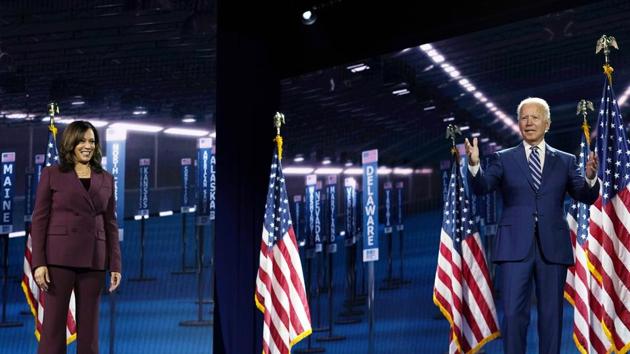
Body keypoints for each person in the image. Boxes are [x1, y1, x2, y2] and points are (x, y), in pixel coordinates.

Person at [464, 97, 599, 354]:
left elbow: (585, 195)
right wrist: (473, 165)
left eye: (535, 117)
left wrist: (591, 178)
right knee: (514, 316)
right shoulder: (502, 159)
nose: (529, 122)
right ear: (518, 124)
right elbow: (482, 187)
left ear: (547, 124)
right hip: (515, 248)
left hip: (553, 248)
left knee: (551, 317)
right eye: (524, 118)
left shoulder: (566, 161)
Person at [31, 120, 122, 354]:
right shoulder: (52, 174)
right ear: (71, 142)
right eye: (82, 140)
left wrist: (115, 264)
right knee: (52, 329)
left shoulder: (107, 178)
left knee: (90, 332)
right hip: (58, 260)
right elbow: (39, 220)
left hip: (94, 260)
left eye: (92, 141)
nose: (87, 146)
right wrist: (39, 262)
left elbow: (111, 223)